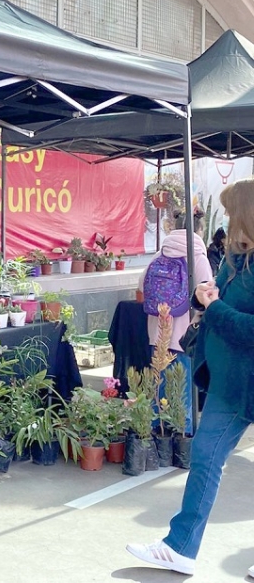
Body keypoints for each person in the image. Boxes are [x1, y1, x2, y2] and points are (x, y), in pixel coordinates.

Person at [126, 177, 254, 577]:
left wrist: (213, 308)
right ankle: (179, 547)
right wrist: (211, 292)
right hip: (228, 383)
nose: (229, 222)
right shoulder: (237, 258)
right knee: (204, 458)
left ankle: (179, 546)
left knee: (206, 459)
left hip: (244, 381)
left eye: (234, 213)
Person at [138, 209, 213, 434]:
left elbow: (141, 288)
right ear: (199, 230)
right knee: (183, 389)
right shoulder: (198, 257)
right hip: (184, 336)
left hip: (157, 333)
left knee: (158, 387)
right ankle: (182, 436)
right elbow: (208, 297)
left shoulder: (159, 255)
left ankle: (155, 434)